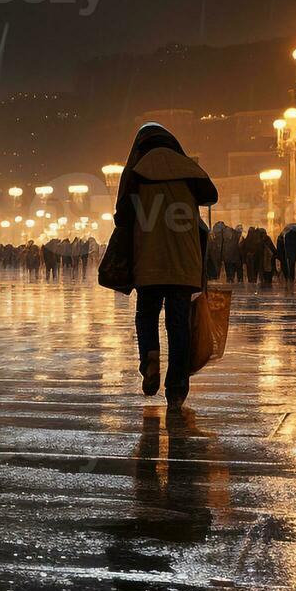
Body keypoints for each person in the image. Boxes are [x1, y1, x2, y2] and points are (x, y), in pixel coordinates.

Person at [108, 123, 218, 417]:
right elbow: (211, 196)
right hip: (184, 262)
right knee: (178, 323)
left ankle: (150, 359)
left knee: (146, 313)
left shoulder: (137, 172)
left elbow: (122, 217)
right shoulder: (188, 169)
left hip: (149, 260)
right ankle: (177, 388)